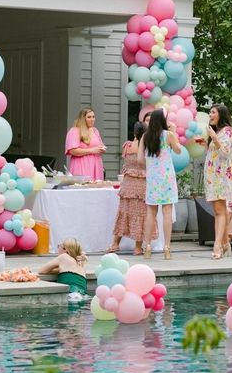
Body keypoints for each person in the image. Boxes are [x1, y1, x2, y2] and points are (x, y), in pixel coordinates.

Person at [108, 121, 156, 255]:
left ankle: (115, 244)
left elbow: (126, 164)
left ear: (134, 132)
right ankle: (137, 247)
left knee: (124, 213)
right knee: (141, 215)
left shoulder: (128, 146)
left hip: (128, 184)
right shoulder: (147, 147)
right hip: (142, 185)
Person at [140, 108, 182, 260]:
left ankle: (148, 247)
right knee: (167, 213)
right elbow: (178, 150)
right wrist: (174, 132)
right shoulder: (168, 135)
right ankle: (167, 248)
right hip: (167, 178)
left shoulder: (145, 137)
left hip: (153, 178)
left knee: (150, 213)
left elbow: (140, 160)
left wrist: (151, 164)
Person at [204, 103, 232, 259]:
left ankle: (218, 245)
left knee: (219, 212)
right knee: (220, 211)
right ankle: (225, 244)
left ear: (221, 115)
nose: (210, 115)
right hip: (214, 176)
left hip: (222, 176)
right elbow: (215, 154)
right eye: (209, 112)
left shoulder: (227, 132)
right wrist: (206, 144)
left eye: (213, 112)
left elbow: (225, 153)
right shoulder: (218, 133)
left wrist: (213, 137)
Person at [64, 108, 106, 180]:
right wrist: (92, 150)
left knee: (96, 188)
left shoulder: (95, 130)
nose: (92, 119)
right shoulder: (74, 131)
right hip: (81, 165)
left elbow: (100, 145)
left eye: (93, 117)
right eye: (89, 117)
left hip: (96, 165)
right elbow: (72, 151)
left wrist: (102, 149)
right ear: (83, 119)